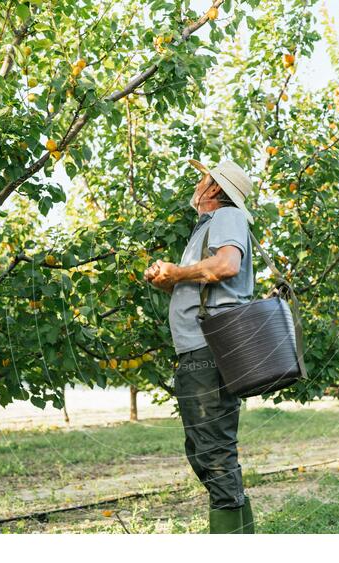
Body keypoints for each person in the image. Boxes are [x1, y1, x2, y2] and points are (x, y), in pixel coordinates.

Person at [144, 158, 256, 534]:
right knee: (208, 447)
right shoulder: (207, 228)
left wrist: (177, 272)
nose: (198, 184)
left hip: (209, 347)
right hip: (201, 348)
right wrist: (169, 280)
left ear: (214, 190)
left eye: (203, 179)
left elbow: (227, 266)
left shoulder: (227, 216)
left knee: (212, 450)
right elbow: (204, 278)